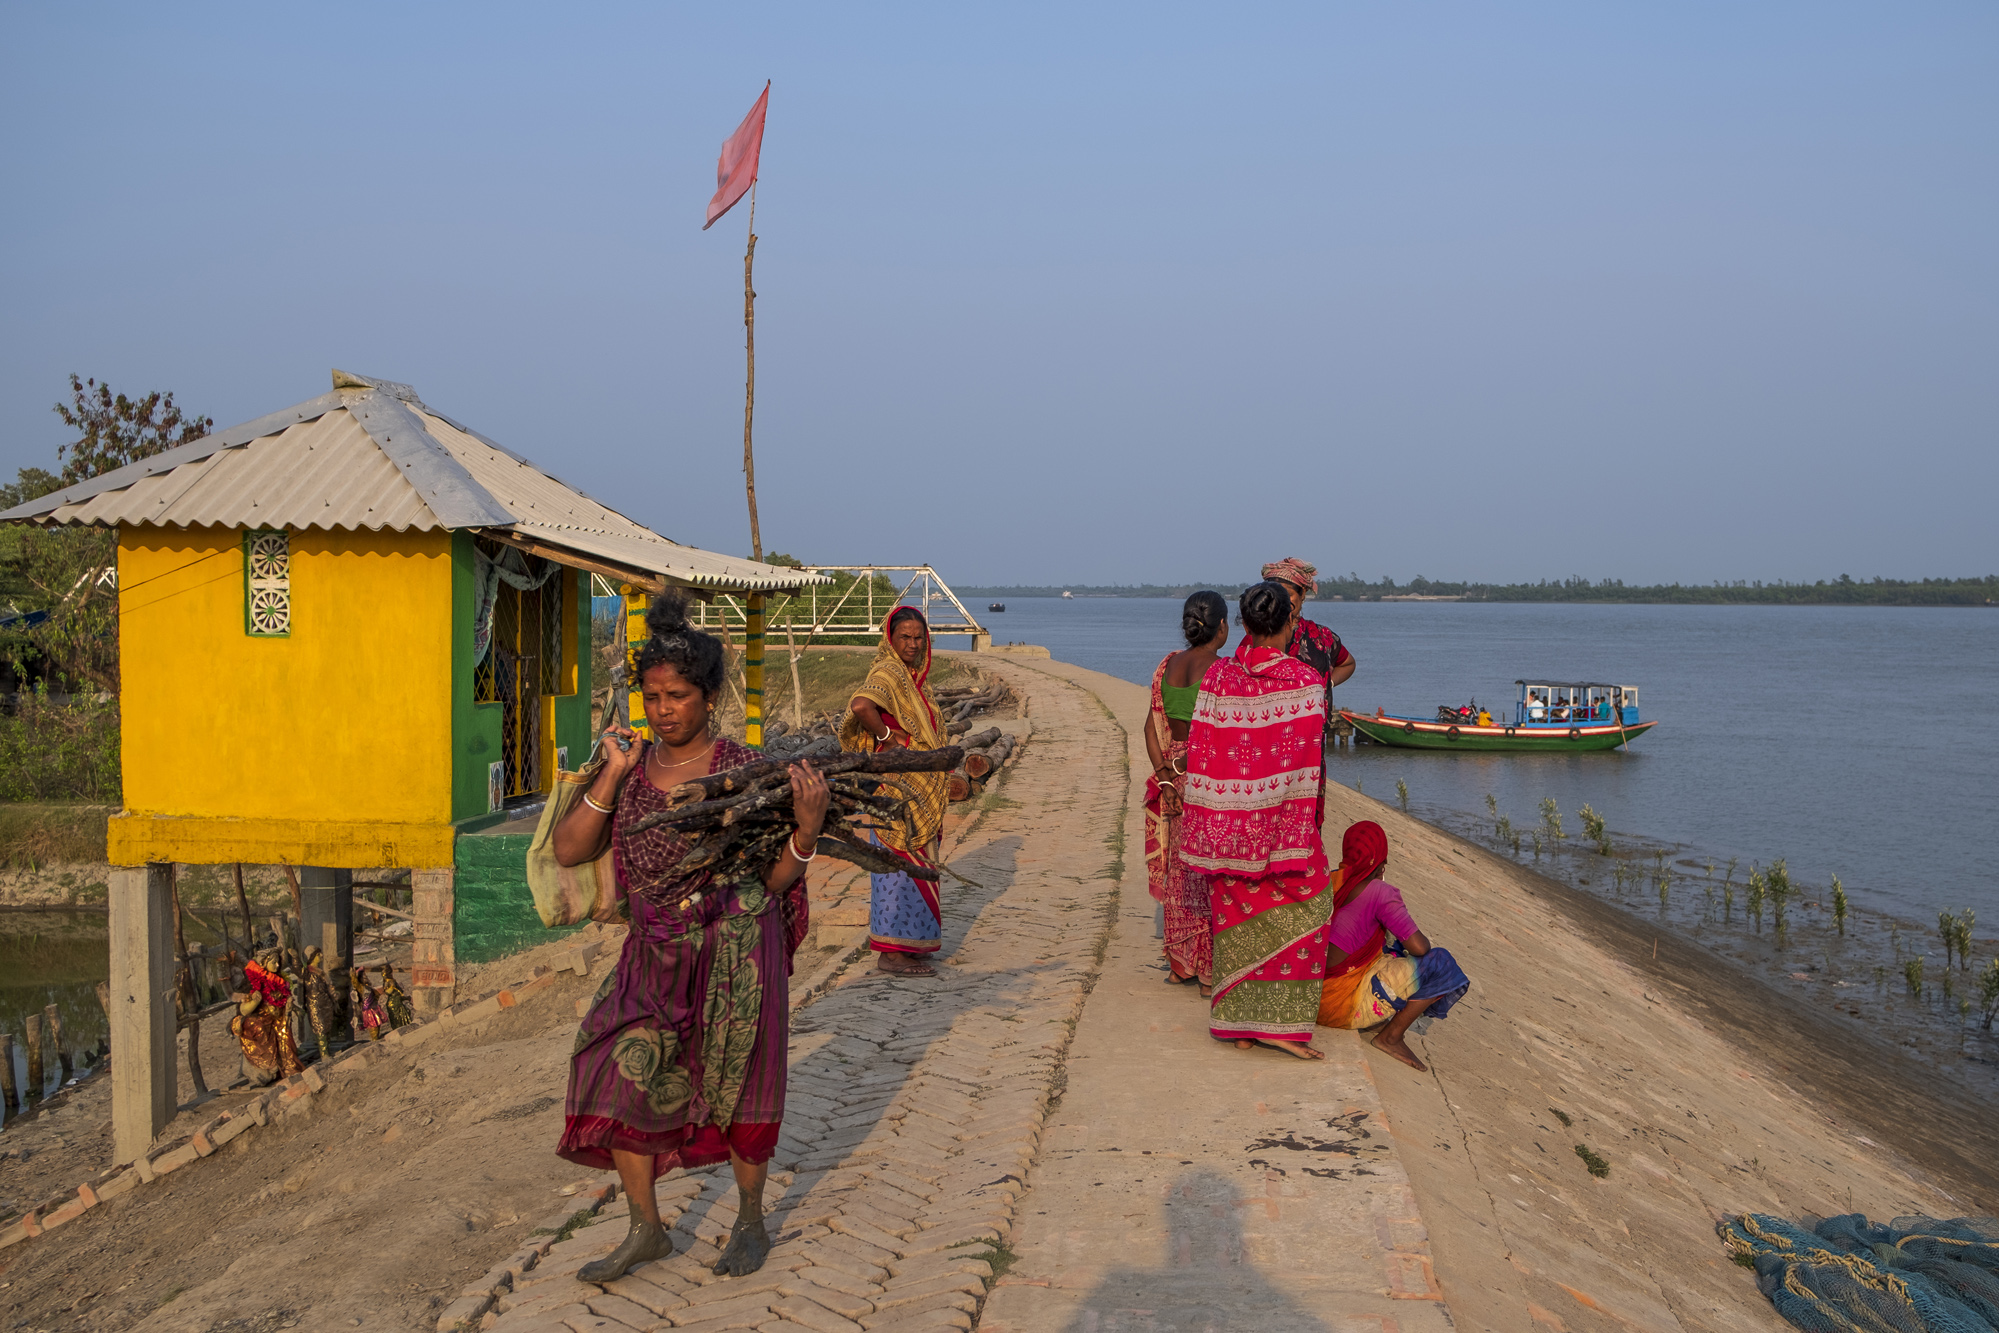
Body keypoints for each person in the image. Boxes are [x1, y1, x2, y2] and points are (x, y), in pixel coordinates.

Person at [552, 594, 829, 1283]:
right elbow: (566, 850)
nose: (663, 708)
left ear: (709, 696)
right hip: (652, 953)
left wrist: (807, 828)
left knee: (739, 1089)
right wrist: (611, 774)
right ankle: (645, 1227)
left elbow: (774, 879)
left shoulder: (747, 768)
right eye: (652, 695)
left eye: (677, 694)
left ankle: (749, 1217)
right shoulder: (629, 766)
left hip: (736, 952)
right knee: (611, 1065)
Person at [1181, 581, 1335, 1060]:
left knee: (1233, 914)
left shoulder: (1218, 680)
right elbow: (1306, 759)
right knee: (1314, 906)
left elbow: (1202, 751)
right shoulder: (1306, 681)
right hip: (1282, 826)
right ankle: (1278, 1025)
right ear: (1290, 624)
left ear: (1243, 625)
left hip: (1226, 827)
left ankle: (1239, 1024)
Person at [839, 607, 950, 977]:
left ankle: (912, 944)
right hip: (895, 793)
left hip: (917, 789)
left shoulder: (915, 679)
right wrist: (888, 737)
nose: (913, 644)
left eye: (919, 637)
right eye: (905, 636)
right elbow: (860, 705)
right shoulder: (887, 673)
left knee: (916, 867)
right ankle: (891, 952)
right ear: (891, 637)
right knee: (893, 869)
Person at [1315, 821, 1471, 1073]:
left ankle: (1381, 1015)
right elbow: (1420, 947)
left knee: (1390, 948)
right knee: (1441, 963)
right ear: (1379, 861)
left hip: (1313, 999)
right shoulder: (1380, 892)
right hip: (1340, 1008)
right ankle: (1390, 1038)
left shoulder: (1331, 879)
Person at [1145, 591, 1228, 992]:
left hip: (1173, 774)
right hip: (1206, 777)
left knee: (1180, 869)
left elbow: (1150, 725)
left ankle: (1181, 962)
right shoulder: (1222, 672)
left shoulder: (1168, 665)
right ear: (1223, 627)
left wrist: (1164, 776)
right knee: (1208, 869)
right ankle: (1209, 971)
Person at [1261, 558, 1356, 737]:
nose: (1280, 602)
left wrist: (1325, 684)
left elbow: (1348, 664)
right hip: (1269, 735)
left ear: (1302, 593)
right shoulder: (1258, 636)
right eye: (1273, 596)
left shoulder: (1322, 637)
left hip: (1311, 737)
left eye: (1288, 595)